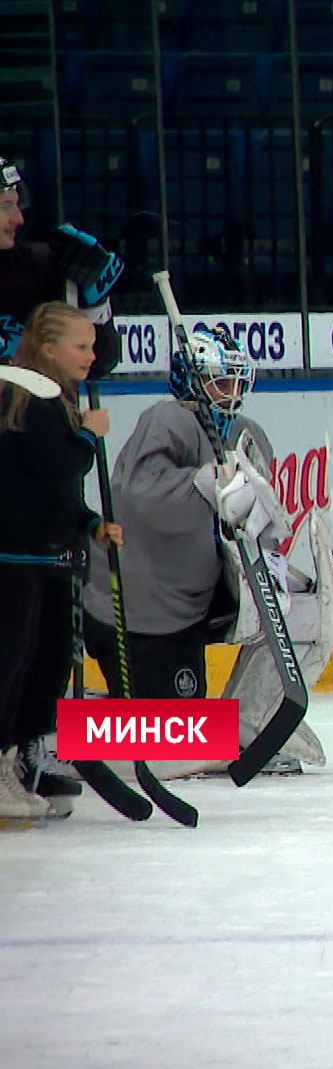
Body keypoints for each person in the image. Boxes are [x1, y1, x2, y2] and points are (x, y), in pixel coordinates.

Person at [81, 324, 333, 778]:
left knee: (303, 613)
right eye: (221, 380)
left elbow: (255, 516)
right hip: (139, 608)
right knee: (172, 736)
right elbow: (138, 493)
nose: (232, 392)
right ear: (191, 379)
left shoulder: (246, 433)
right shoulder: (168, 418)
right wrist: (203, 481)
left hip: (198, 597)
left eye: (238, 381)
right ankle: (62, 731)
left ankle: (251, 725)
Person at [0, 302, 122, 823]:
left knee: (39, 663)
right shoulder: (27, 396)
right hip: (13, 558)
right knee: (9, 666)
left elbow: (56, 493)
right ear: (48, 348)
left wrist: (88, 522)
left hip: (42, 557)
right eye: (81, 346)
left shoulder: (53, 397)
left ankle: (19, 762)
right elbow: (52, 469)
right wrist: (88, 435)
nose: (92, 357)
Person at [0, 156, 122, 377]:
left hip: (38, 410)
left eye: (17, 205)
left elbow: (98, 365)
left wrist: (96, 308)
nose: (19, 219)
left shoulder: (44, 267)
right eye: (6, 206)